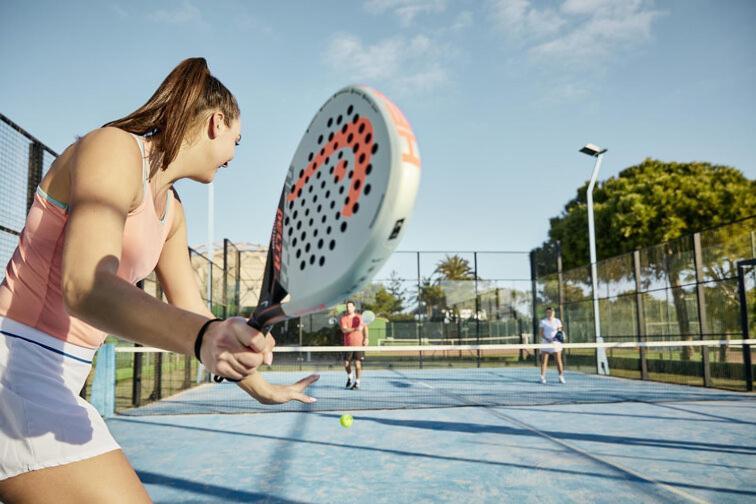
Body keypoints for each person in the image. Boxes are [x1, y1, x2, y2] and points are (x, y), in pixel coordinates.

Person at [0, 58, 317, 503]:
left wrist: (261, 388)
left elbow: (193, 310)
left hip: (58, 374)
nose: (234, 155)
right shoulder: (113, 149)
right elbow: (84, 287)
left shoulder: (172, 212)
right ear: (215, 122)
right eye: (236, 141)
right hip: (13, 362)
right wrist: (205, 336)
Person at [339, 301, 367, 390]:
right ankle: (350, 376)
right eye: (347, 307)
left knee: (358, 364)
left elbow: (365, 328)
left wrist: (366, 338)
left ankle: (357, 382)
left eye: (350, 306)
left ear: (354, 308)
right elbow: (344, 330)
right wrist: (355, 329)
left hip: (359, 345)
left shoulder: (360, 317)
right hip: (348, 345)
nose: (348, 308)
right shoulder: (343, 318)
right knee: (346, 364)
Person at [538, 307, 566, 384]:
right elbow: (541, 333)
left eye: (551, 312)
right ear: (546, 313)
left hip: (556, 343)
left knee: (558, 360)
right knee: (544, 361)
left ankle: (561, 376)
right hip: (545, 343)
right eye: (548, 312)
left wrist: (554, 339)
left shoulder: (557, 321)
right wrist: (547, 339)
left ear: (553, 313)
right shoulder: (543, 322)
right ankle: (542, 377)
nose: (549, 313)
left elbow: (559, 332)